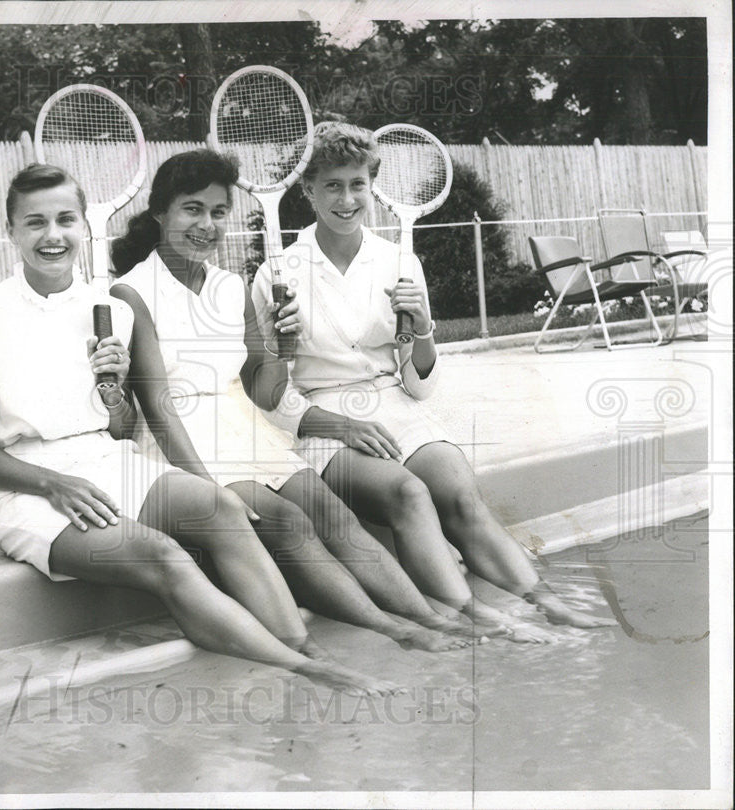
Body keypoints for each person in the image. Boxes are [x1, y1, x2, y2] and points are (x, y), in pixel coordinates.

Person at [0, 162, 400, 695]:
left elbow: (119, 429)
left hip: (102, 463)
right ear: (12, 231)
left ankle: (306, 647)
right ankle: (311, 670)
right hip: (29, 488)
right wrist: (52, 484)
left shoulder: (106, 307)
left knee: (223, 508)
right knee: (165, 555)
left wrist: (113, 392)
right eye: (35, 223)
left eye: (66, 219)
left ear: (83, 228)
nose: (53, 236)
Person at [251, 122, 615, 632]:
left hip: (394, 403)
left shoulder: (398, 262)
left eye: (358, 183)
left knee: (462, 494)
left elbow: (418, 383)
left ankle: (546, 600)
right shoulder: (277, 272)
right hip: (323, 418)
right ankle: (478, 618)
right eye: (332, 185)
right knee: (409, 494)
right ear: (307, 190)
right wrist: (328, 414)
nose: (347, 198)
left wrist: (422, 328)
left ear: (371, 187)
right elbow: (268, 394)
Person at [110, 149, 479, 651]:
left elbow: (264, 389)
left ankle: (428, 617)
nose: (207, 224)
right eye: (191, 209)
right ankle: (393, 628)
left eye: (219, 212)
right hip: (179, 439)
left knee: (333, 514)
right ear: (160, 213)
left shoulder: (229, 286)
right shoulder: (130, 292)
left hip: (243, 426)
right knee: (287, 523)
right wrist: (205, 491)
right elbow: (156, 406)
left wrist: (283, 348)